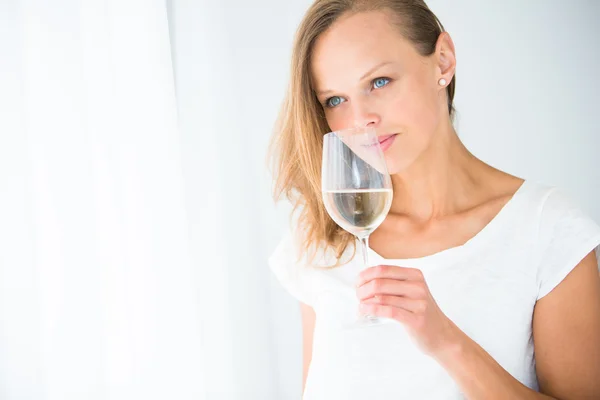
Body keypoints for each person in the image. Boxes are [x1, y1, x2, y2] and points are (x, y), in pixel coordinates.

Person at [267, 0, 600, 398]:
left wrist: (445, 341)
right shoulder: (324, 238)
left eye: (379, 81)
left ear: (442, 62)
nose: (361, 119)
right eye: (335, 100)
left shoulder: (547, 229)